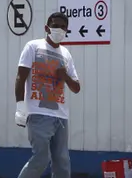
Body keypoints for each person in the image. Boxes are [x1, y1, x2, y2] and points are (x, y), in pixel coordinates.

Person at [14, 11, 81, 178]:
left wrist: (65, 76)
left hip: (60, 116)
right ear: (47, 28)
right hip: (38, 113)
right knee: (41, 158)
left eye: (63, 27)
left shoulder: (66, 54)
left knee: (62, 163)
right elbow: (21, 77)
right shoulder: (33, 47)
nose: (59, 30)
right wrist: (20, 107)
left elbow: (76, 87)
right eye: (55, 26)